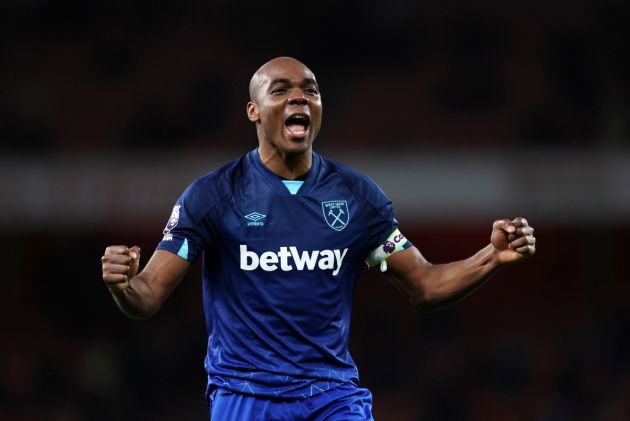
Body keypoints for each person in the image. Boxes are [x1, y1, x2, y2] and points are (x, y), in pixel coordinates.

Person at [101, 57, 536, 420]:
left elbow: (424, 284)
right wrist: (123, 285)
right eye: (281, 90)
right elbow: (148, 295)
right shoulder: (213, 195)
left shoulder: (357, 197)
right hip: (247, 396)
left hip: (332, 395)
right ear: (253, 110)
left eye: (310, 90)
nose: (299, 97)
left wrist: (492, 257)